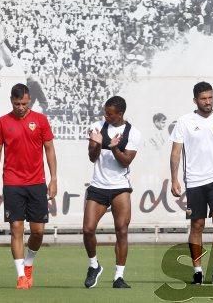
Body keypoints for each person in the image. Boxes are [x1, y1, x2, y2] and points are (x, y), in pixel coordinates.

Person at [0, 83, 57, 290]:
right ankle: (21, 276)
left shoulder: (41, 120)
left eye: (24, 104)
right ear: (11, 100)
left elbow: (49, 149)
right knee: (16, 228)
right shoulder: (2, 122)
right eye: (17, 103)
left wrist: (54, 179)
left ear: (30, 101)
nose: (21, 107)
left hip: (37, 183)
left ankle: (29, 264)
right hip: (12, 183)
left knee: (37, 232)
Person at [169, 81, 213, 285]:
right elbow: (175, 153)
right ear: (195, 100)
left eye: (210, 98)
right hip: (195, 181)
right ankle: (197, 270)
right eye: (203, 99)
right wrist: (174, 179)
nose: (207, 102)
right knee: (197, 225)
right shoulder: (184, 121)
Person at [83, 96, 141, 289]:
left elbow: (125, 161)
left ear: (120, 114)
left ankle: (119, 277)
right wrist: (97, 144)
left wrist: (115, 148)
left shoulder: (133, 133)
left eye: (110, 113)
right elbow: (92, 158)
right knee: (88, 229)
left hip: (120, 187)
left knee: (122, 231)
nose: (105, 116)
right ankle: (94, 265)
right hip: (98, 186)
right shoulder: (97, 126)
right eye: (105, 112)